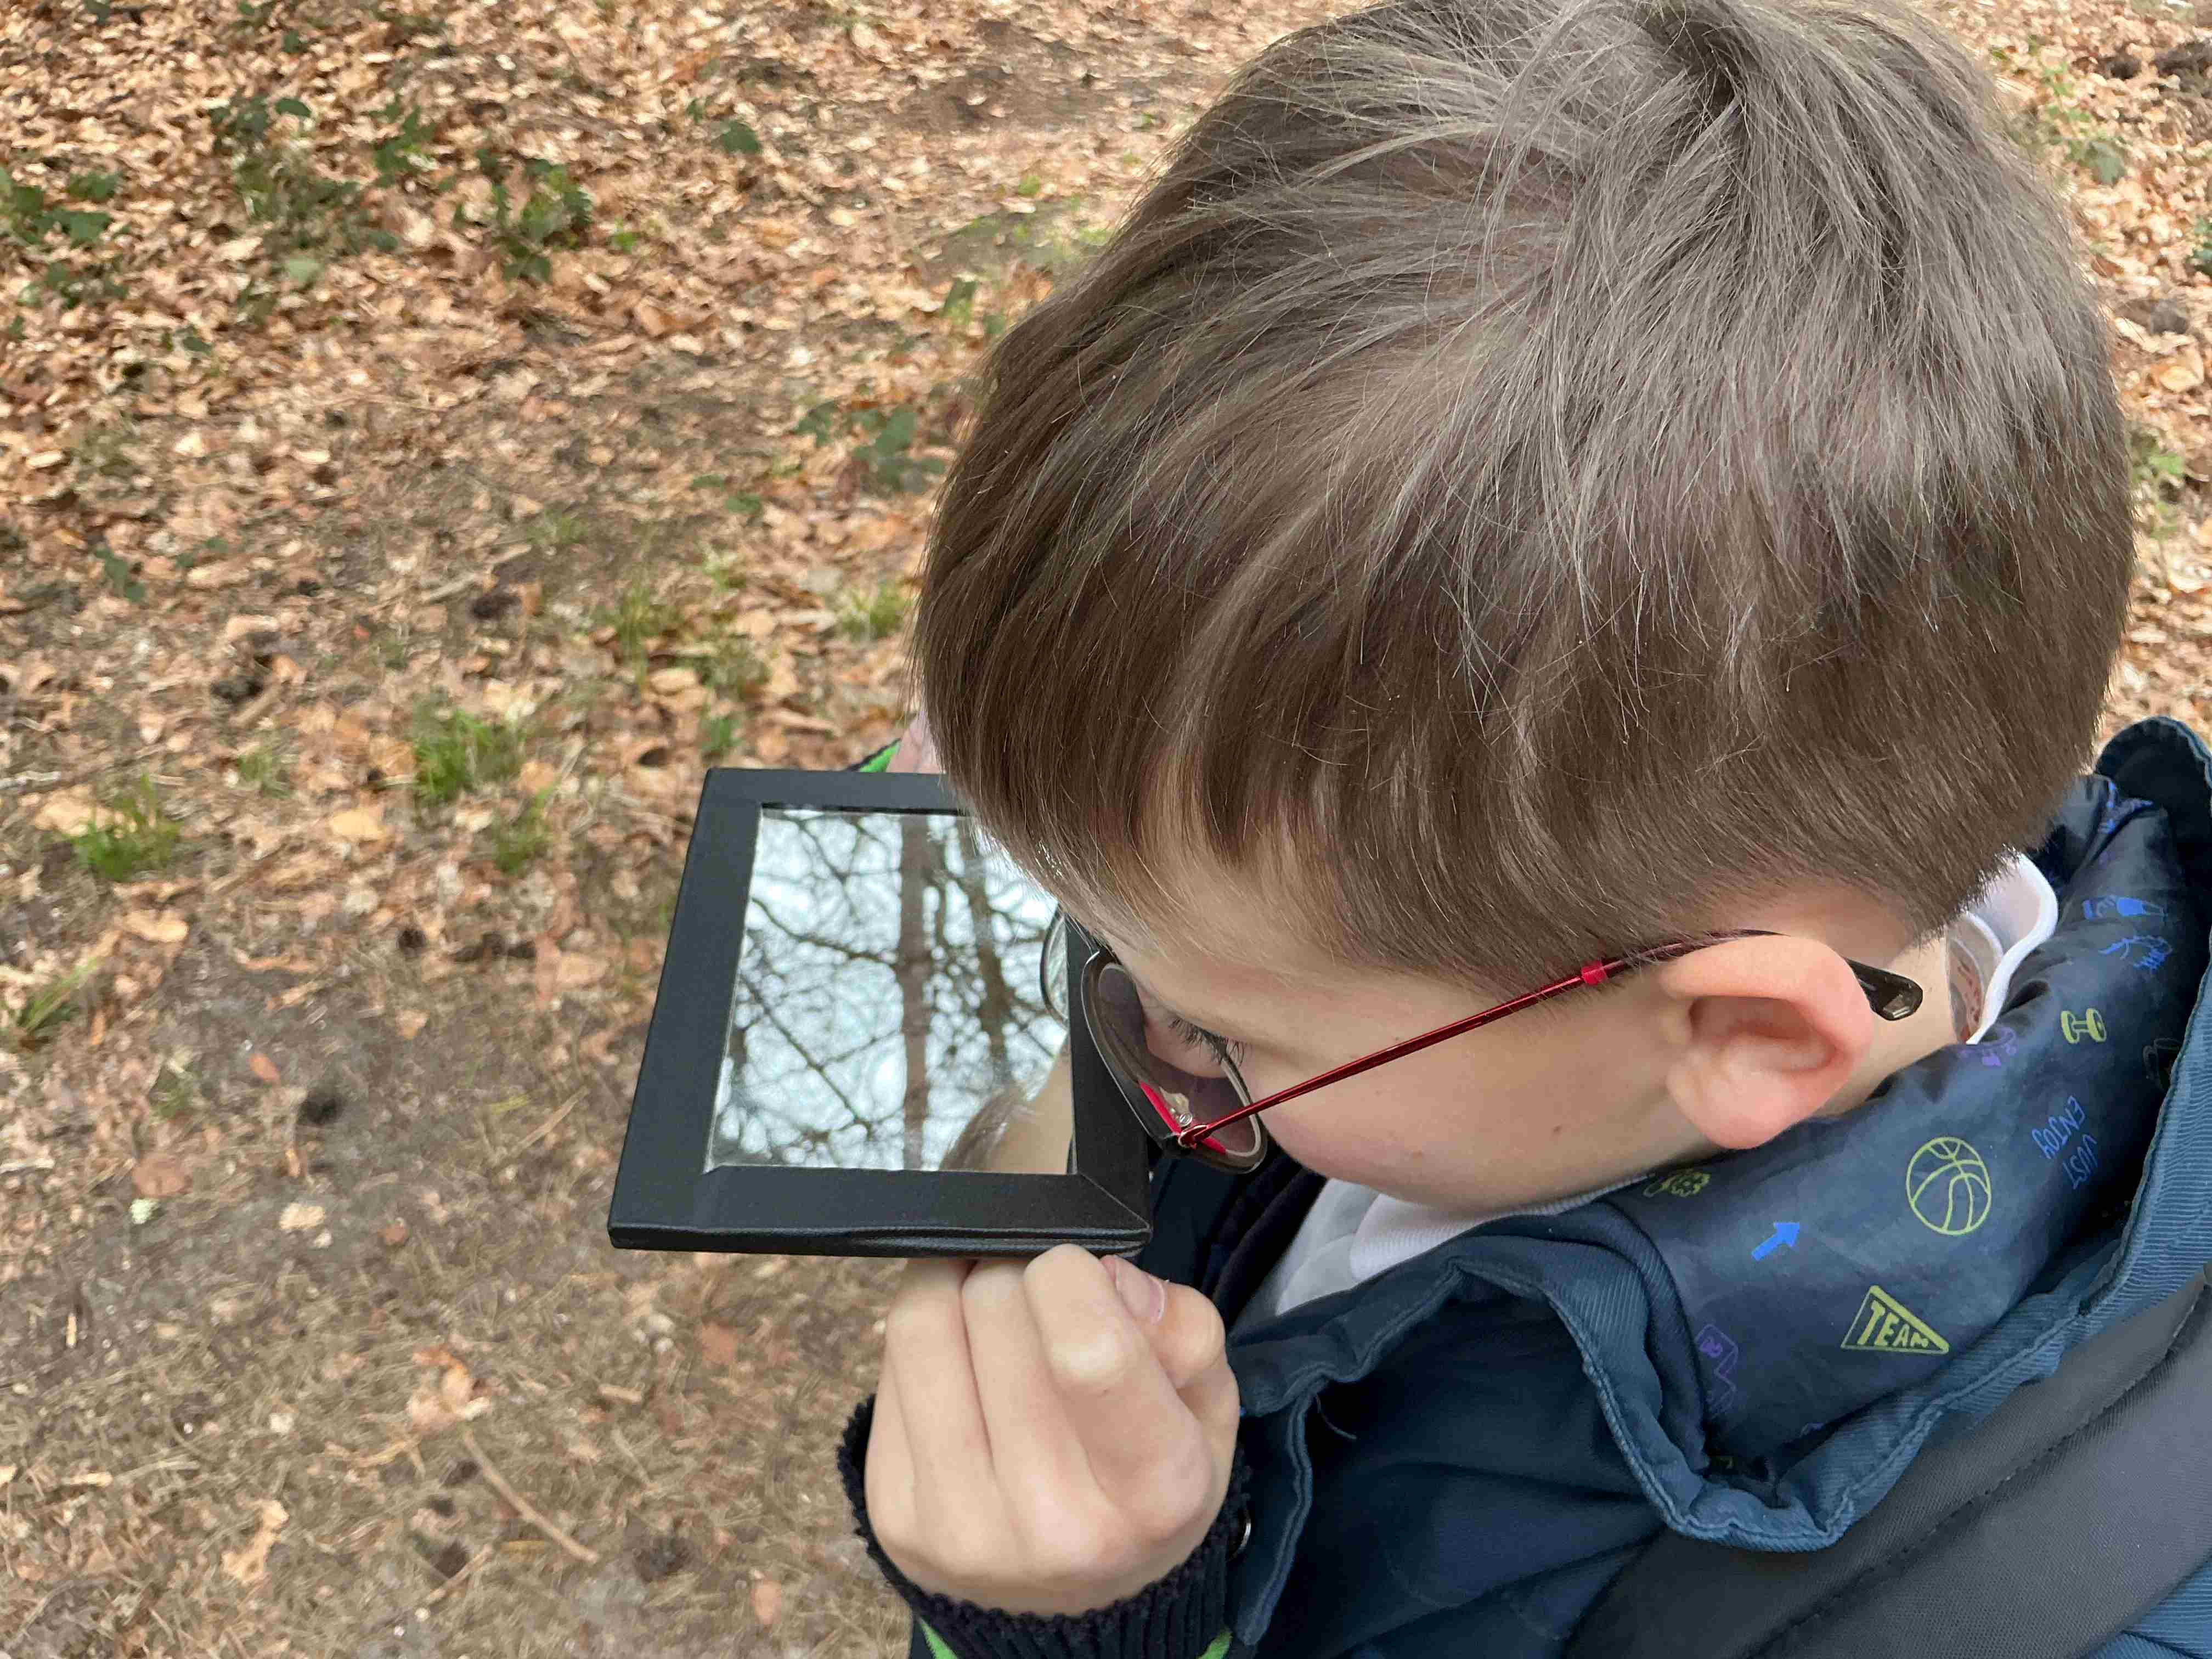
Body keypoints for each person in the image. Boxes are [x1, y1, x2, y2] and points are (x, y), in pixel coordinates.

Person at [832, 0, 2212, 1652]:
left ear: (1749, 1035)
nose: (1126, 1040)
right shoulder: (1774, 795)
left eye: (1212, 1031)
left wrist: (1099, 1628)